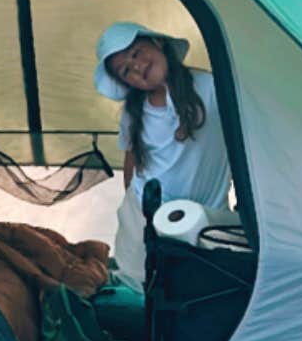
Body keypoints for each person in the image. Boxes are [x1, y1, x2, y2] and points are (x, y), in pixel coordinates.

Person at [94, 22, 234, 286]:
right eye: (126, 71)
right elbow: (132, 158)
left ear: (158, 44)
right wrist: (134, 202)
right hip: (145, 213)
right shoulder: (134, 112)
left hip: (205, 214)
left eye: (136, 53)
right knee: (146, 285)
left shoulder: (210, 88)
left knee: (206, 284)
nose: (137, 67)